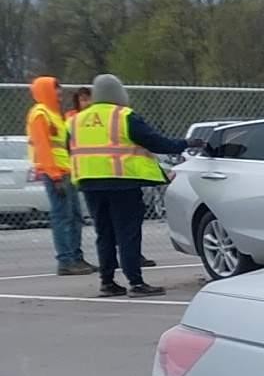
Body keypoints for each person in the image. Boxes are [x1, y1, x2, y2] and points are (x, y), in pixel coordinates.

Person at [65, 74, 195, 298]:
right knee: (128, 233)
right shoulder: (123, 116)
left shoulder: (75, 121)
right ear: (118, 93)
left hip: (89, 183)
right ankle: (136, 282)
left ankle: (107, 283)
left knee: (104, 234)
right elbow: (157, 142)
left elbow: (71, 150)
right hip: (121, 182)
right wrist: (186, 144)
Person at [23, 75, 91, 276]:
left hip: (66, 171)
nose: (59, 93)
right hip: (56, 174)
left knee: (75, 217)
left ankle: (76, 258)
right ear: (46, 92)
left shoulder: (55, 114)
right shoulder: (40, 114)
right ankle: (66, 260)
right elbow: (43, 147)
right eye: (55, 89)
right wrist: (54, 175)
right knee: (63, 217)